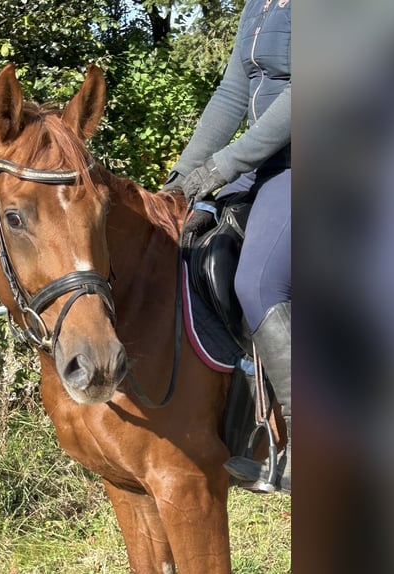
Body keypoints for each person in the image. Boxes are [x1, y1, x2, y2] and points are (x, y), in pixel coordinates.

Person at [162, 0, 291, 493]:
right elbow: (232, 91)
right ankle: (234, 426)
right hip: (260, 166)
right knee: (188, 247)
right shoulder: (256, 6)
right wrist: (180, 180)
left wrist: (222, 167)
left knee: (257, 284)